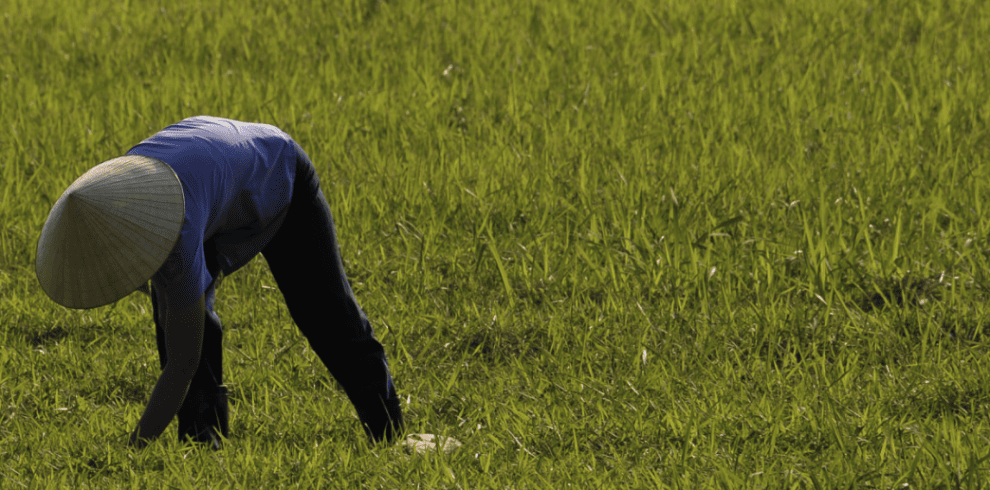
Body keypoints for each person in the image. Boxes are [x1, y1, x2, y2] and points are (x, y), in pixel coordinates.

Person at [35, 116, 404, 449]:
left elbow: (182, 363)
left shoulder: (170, 232)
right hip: (211, 178)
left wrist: (134, 446)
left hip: (278, 171)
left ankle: (388, 431)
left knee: (326, 313)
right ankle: (201, 444)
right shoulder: (119, 199)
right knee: (175, 311)